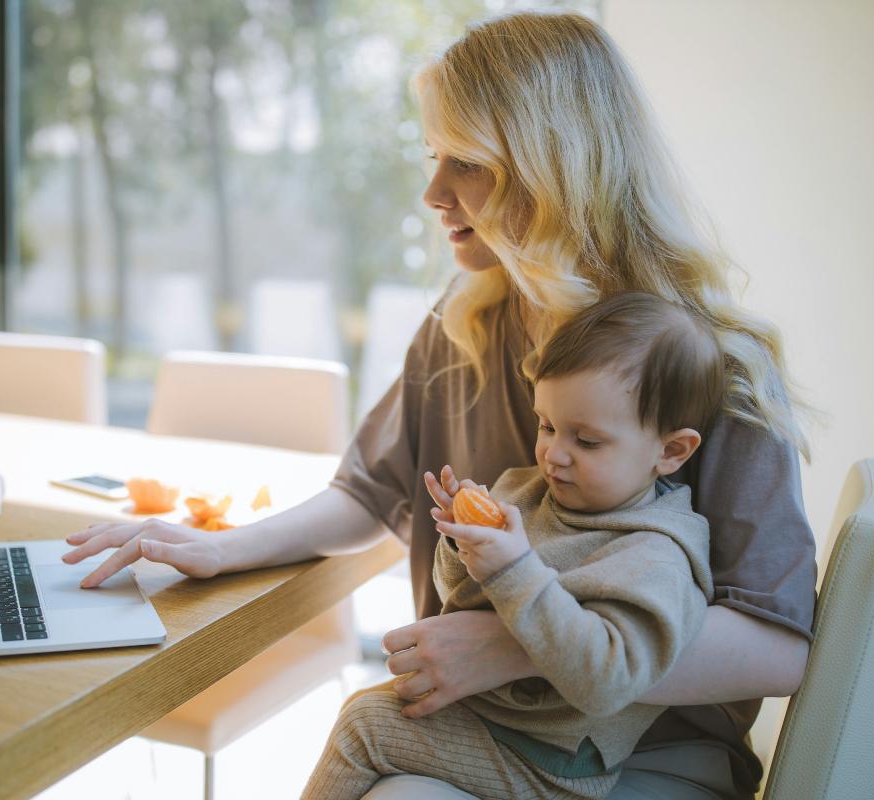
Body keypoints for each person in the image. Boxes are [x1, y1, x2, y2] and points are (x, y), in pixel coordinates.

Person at [63, 12, 816, 798]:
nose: (432, 192)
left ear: (554, 167)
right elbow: (367, 493)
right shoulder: (465, 322)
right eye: (432, 157)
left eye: (468, 163)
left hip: (647, 756)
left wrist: (519, 643)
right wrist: (223, 548)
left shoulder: (708, 365)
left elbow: (777, 647)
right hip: (486, 722)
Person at [302, 292, 724, 800]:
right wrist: (461, 543)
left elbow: (608, 680)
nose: (554, 455)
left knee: (364, 725)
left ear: (671, 450)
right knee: (367, 709)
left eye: (586, 441)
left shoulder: (655, 552)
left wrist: (515, 567)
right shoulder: (529, 491)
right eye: (546, 425)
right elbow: (460, 600)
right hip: (492, 719)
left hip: (552, 761)